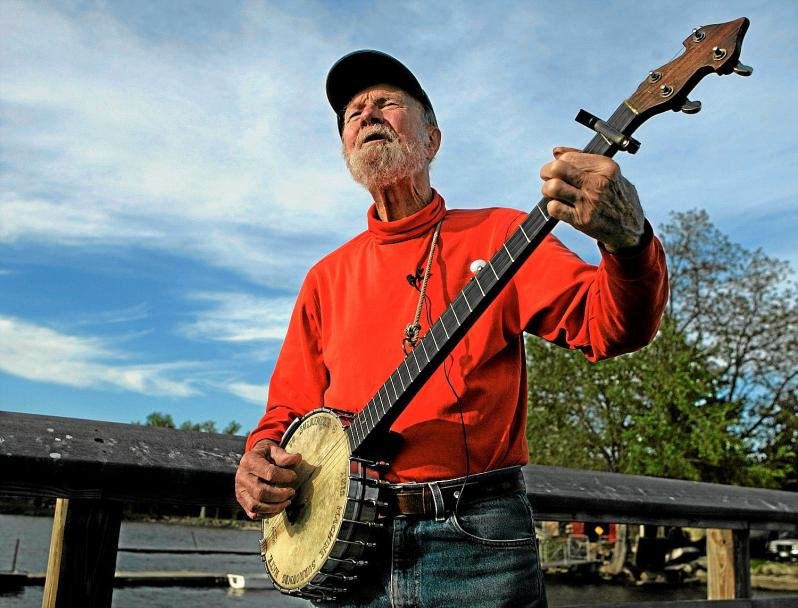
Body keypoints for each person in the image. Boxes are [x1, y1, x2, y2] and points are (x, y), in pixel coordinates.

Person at [235, 50, 668, 607]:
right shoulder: (325, 277)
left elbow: (609, 326)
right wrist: (259, 458)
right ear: (345, 147)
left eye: (386, 102)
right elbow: (287, 410)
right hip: (347, 546)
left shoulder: (502, 235)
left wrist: (629, 243)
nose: (366, 114)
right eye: (352, 113)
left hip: (477, 542)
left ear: (432, 140)